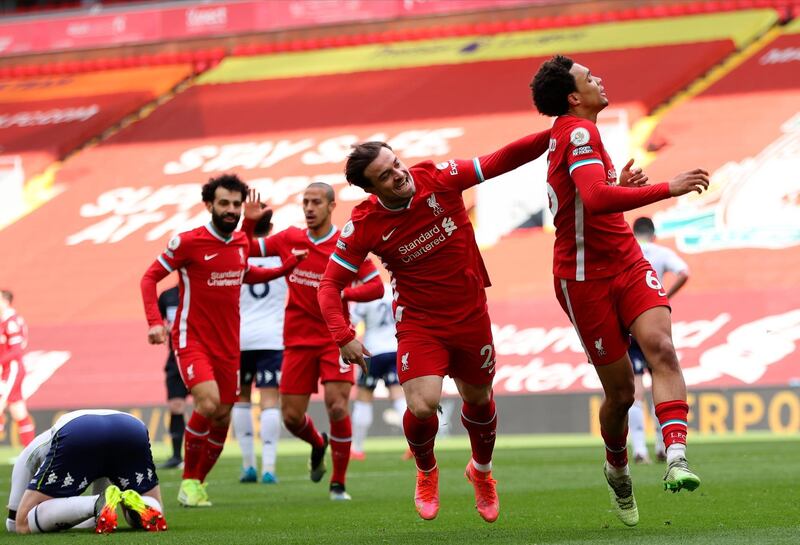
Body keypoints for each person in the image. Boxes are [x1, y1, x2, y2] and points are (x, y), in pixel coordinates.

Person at [316, 129, 552, 523]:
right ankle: (426, 471)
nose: (399, 174)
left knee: (478, 400)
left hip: (471, 314)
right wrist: (342, 336)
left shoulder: (439, 177)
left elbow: (499, 159)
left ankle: (482, 471)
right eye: (386, 175)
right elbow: (329, 286)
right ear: (371, 189)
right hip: (421, 323)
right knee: (422, 405)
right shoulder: (364, 225)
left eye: (396, 164)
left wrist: (556, 130)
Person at [530, 54, 708, 527]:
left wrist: (615, 183)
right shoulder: (579, 132)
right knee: (622, 393)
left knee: (662, 348)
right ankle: (617, 467)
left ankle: (676, 457)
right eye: (589, 78)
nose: (599, 79)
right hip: (583, 279)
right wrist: (666, 187)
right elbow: (594, 198)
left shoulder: (577, 134)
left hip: (626, 261)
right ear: (573, 97)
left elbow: (590, 196)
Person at [140, 174, 304, 507]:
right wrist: (154, 323)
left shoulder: (242, 241)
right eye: (224, 203)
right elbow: (149, 278)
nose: (230, 210)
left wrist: (285, 267)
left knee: (222, 416)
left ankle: (196, 485)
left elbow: (245, 273)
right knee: (209, 404)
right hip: (192, 339)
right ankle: (188, 479)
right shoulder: (187, 242)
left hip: (230, 345)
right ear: (209, 205)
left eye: (235, 204)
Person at [243, 182, 383, 501]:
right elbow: (245, 249)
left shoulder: (346, 244)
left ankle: (338, 484)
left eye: (316, 202)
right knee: (291, 417)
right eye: (305, 202)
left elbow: (375, 287)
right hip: (297, 340)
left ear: (331, 206)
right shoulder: (289, 239)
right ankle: (318, 444)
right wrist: (249, 224)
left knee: (337, 406)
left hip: (336, 339)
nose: (309, 208)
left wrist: (340, 292)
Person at [6, 409, 166, 534]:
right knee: (153, 507)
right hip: (132, 428)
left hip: (79, 432)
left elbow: (15, 524)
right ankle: (129, 501)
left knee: (23, 523)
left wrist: (14, 515)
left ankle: (97, 504)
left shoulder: (37, 446)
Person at [628, 217, 690, 464]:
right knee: (661, 380)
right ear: (653, 235)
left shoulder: (627, 250)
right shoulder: (662, 252)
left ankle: (639, 449)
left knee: (635, 387)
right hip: (654, 321)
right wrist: (664, 296)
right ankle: (663, 445)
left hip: (630, 323)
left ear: (633, 234)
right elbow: (685, 272)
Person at [232, 211, 288, 484]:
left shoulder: (237, 256)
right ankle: (269, 467)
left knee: (241, 397)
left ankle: (248, 465)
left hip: (240, 339)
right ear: (272, 228)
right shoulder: (281, 257)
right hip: (273, 338)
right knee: (269, 400)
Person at [349, 282, 406, 461]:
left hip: (372, 352)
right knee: (398, 395)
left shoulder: (365, 296)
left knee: (364, 397)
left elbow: (352, 322)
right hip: (395, 350)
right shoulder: (392, 292)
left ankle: (357, 449)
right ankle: (414, 444)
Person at [156, 285, 188, 470]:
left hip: (199, 355)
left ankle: (202, 454)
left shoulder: (201, 289)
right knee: (176, 406)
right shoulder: (167, 296)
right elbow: (158, 323)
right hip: (175, 359)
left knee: (205, 406)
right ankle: (177, 456)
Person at [0, 289, 35, 447]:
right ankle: (31, 451)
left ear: (5, 301)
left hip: (11, 369)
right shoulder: (5, 320)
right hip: (8, 368)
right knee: (18, 411)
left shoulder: (11, 321)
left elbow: (16, 351)